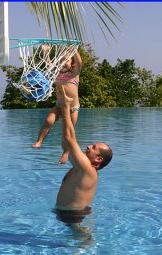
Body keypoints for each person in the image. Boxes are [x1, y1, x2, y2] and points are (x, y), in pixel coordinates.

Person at [54, 84, 113, 212]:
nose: (88, 146)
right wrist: (66, 108)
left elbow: (70, 139)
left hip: (74, 217)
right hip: (71, 215)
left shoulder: (87, 169)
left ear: (98, 159)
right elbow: (66, 143)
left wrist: (65, 106)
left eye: (93, 147)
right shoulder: (82, 168)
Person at [32, 47, 82, 164]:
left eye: (66, 60)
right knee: (48, 121)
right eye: (60, 60)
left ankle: (66, 151)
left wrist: (74, 51)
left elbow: (79, 62)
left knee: (68, 132)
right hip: (59, 105)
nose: (63, 62)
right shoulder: (56, 73)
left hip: (73, 108)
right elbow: (47, 61)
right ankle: (39, 141)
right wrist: (45, 51)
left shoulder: (74, 74)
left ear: (72, 64)